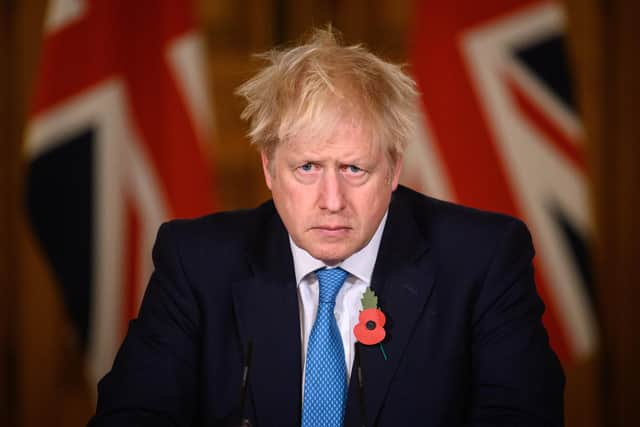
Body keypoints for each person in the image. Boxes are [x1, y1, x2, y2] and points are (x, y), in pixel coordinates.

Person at [89, 28, 564, 427]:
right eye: (308, 168)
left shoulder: (483, 259)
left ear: (394, 170)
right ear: (270, 169)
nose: (332, 202)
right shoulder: (196, 262)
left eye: (354, 169)